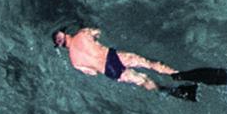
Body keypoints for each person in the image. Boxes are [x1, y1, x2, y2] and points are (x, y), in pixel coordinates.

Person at [53, 25, 197, 101]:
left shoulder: (75, 62)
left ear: (60, 45)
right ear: (65, 34)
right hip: (113, 56)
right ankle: (181, 75)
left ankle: (173, 92)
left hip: (109, 71)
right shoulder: (82, 34)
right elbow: (99, 32)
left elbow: (93, 73)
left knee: (143, 80)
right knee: (149, 64)